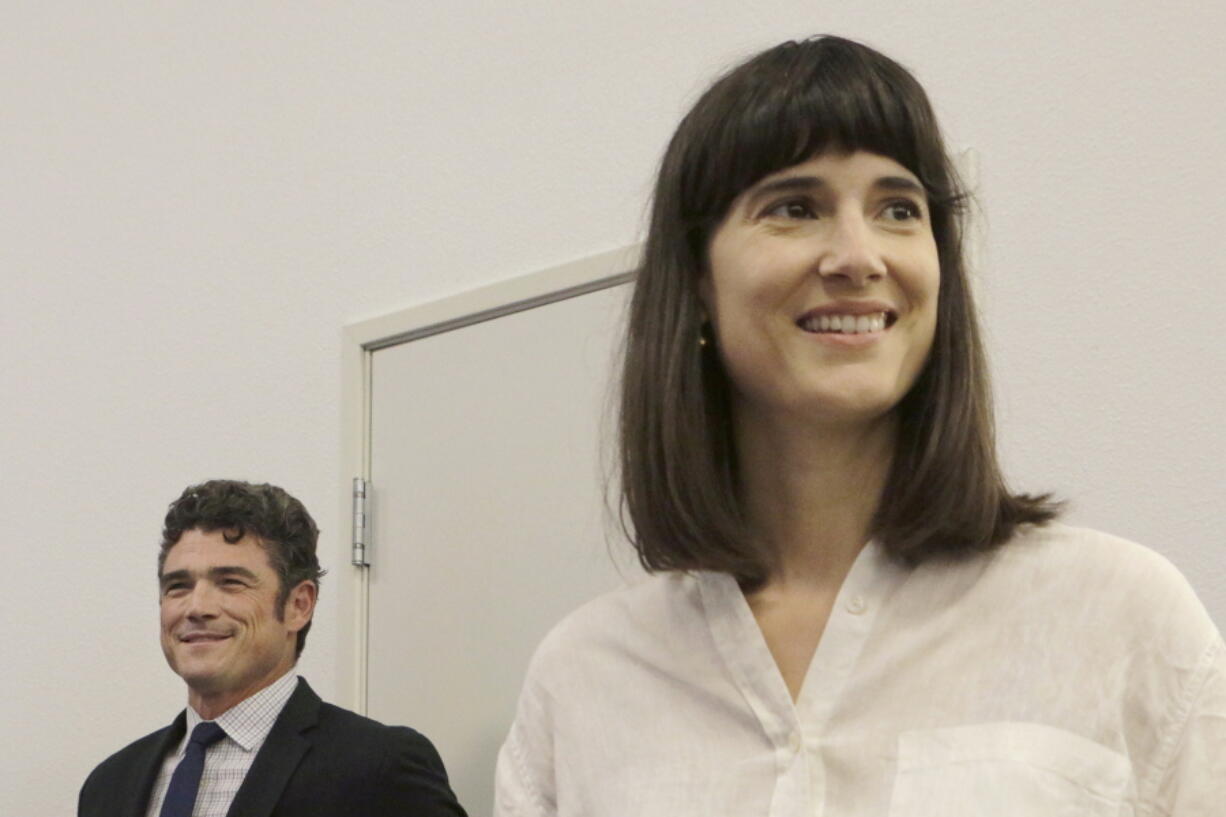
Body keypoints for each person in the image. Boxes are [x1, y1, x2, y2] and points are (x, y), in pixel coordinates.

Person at [494, 35, 1225, 815]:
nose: (858, 255)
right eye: (795, 207)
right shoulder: (583, 679)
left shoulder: (1121, 618)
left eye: (899, 209)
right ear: (698, 280)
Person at [79, 479, 467, 817]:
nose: (197, 607)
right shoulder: (110, 784)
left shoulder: (379, 768)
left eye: (230, 582)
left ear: (299, 605)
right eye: (178, 586)